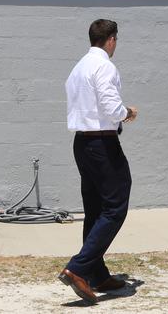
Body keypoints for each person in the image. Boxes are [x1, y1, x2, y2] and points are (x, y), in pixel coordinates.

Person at [59, 18, 138, 304]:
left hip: (82, 141)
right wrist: (126, 111)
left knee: (94, 208)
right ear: (111, 39)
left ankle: (96, 271)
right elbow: (109, 105)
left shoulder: (78, 67)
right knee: (116, 205)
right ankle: (78, 268)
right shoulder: (104, 66)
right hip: (103, 142)